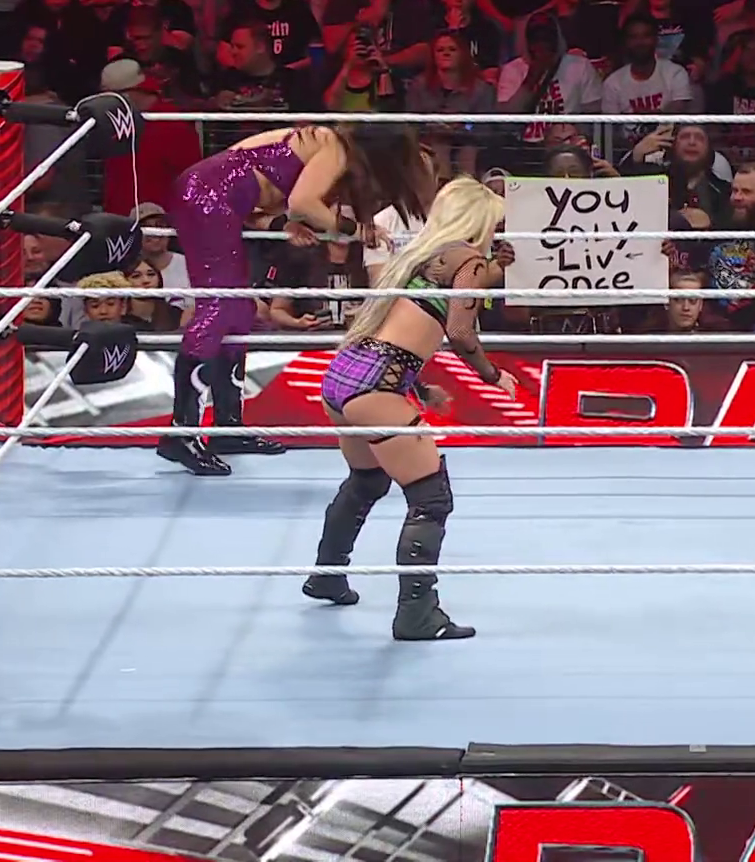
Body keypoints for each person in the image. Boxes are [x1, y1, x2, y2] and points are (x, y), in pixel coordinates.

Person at [306, 177, 516, 641]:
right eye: (496, 224)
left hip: (344, 378)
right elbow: (460, 332)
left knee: (366, 481)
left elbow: (393, 333)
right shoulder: (468, 260)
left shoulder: (418, 255)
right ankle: (417, 614)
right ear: (480, 221)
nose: (498, 232)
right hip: (375, 388)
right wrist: (492, 374)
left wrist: (417, 388)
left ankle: (327, 575)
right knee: (431, 497)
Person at [159, 124, 430, 477]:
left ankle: (227, 427)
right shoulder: (333, 144)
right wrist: (356, 230)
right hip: (206, 197)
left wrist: (284, 224)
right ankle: (182, 433)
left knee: (239, 311)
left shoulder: (325, 149)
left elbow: (256, 196)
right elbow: (302, 202)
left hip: (219, 201)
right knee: (219, 309)